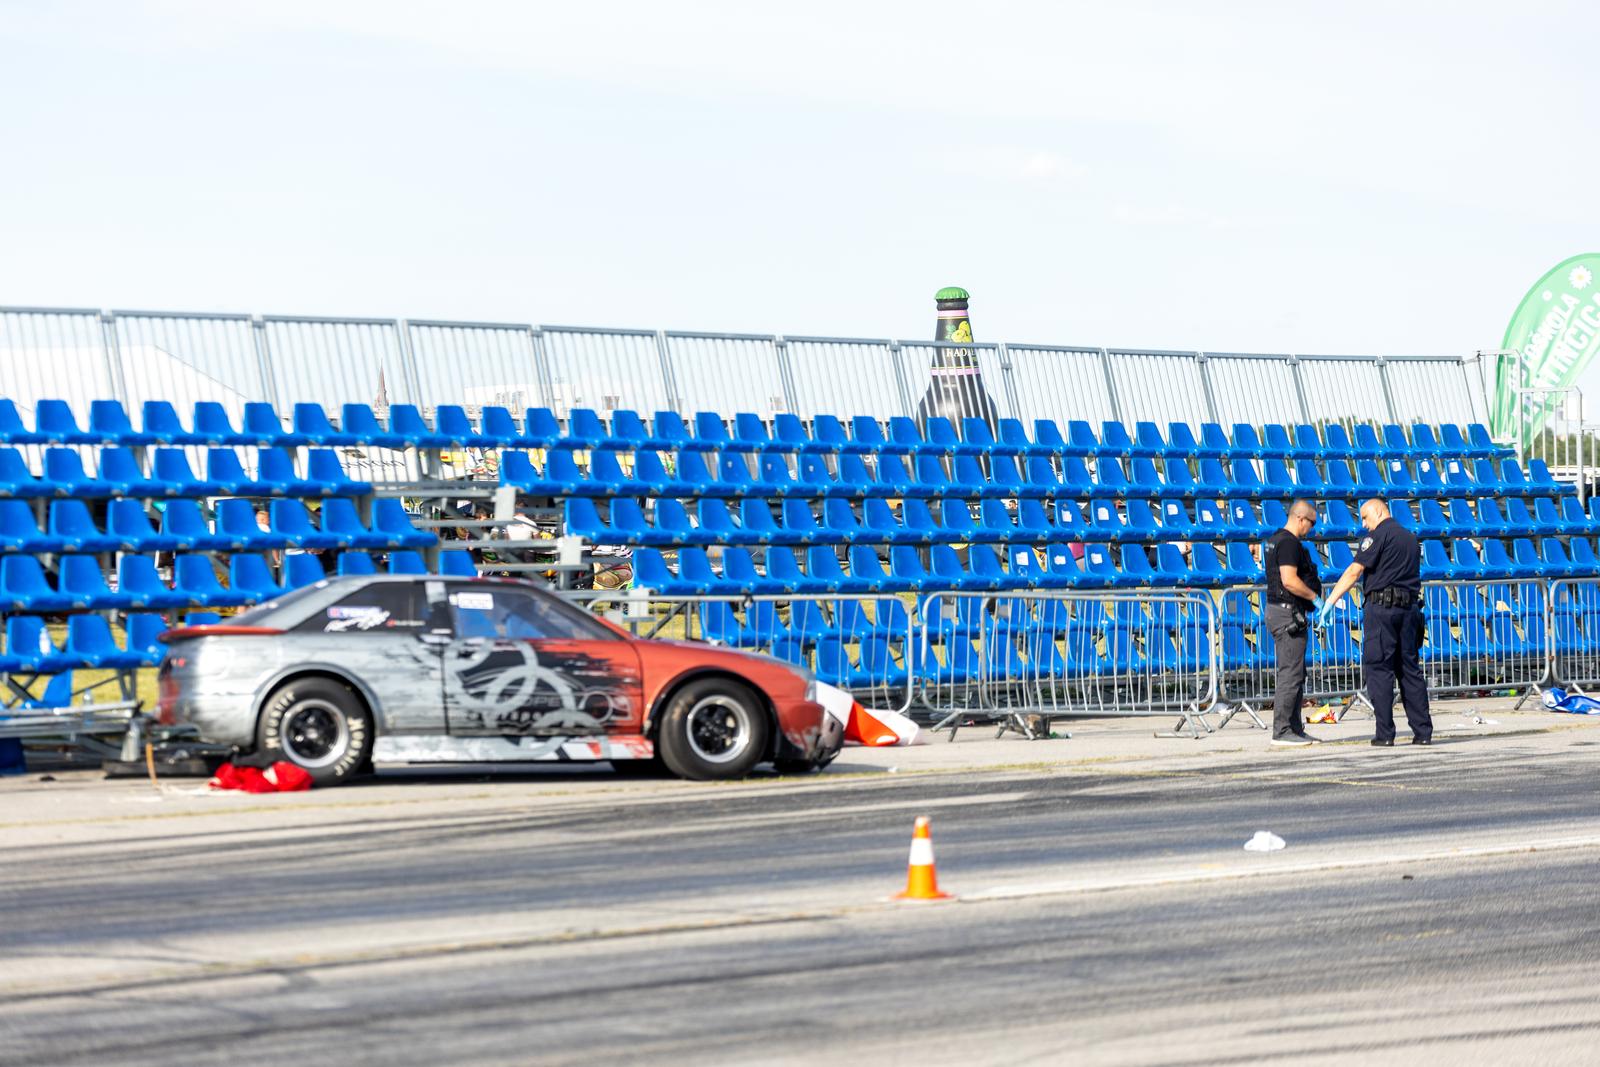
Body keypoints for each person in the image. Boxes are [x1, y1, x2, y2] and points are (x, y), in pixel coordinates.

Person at [1319, 497, 1432, 746]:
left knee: (1379, 670)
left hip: (1383, 610)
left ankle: (1385, 734)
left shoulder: (1377, 536)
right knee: (1410, 670)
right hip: (1409, 610)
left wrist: (1330, 601)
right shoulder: (1410, 538)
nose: (1364, 524)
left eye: (1365, 517)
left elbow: (1354, 571)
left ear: (1379, 512)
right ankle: (1423, 732)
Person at [1263, 499, 1324, 746]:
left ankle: (1295, 728)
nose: (1312, 528)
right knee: (1290, 673)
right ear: (1300, 519)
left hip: (1281, 611)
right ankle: (1282, 730)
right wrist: (1315, 598)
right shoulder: (1288, 542)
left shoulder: (1275, 539)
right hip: (1287, 613)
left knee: (1296, 672)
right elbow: (1289, 580)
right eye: (1312, 523)